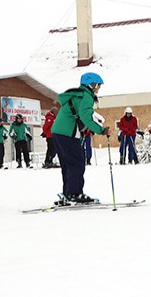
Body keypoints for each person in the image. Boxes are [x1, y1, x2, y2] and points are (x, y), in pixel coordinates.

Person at [51, 72, 111, 204]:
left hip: (58, 132)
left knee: (68, 164)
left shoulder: (77, 95)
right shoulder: (86, 97)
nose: (98, 88)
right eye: (97, 86)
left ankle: (68, 193)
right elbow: (86, 117)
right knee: (77, 163)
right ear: (91, 84)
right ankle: (74, 193)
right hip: (67, 134)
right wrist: (101, 130)